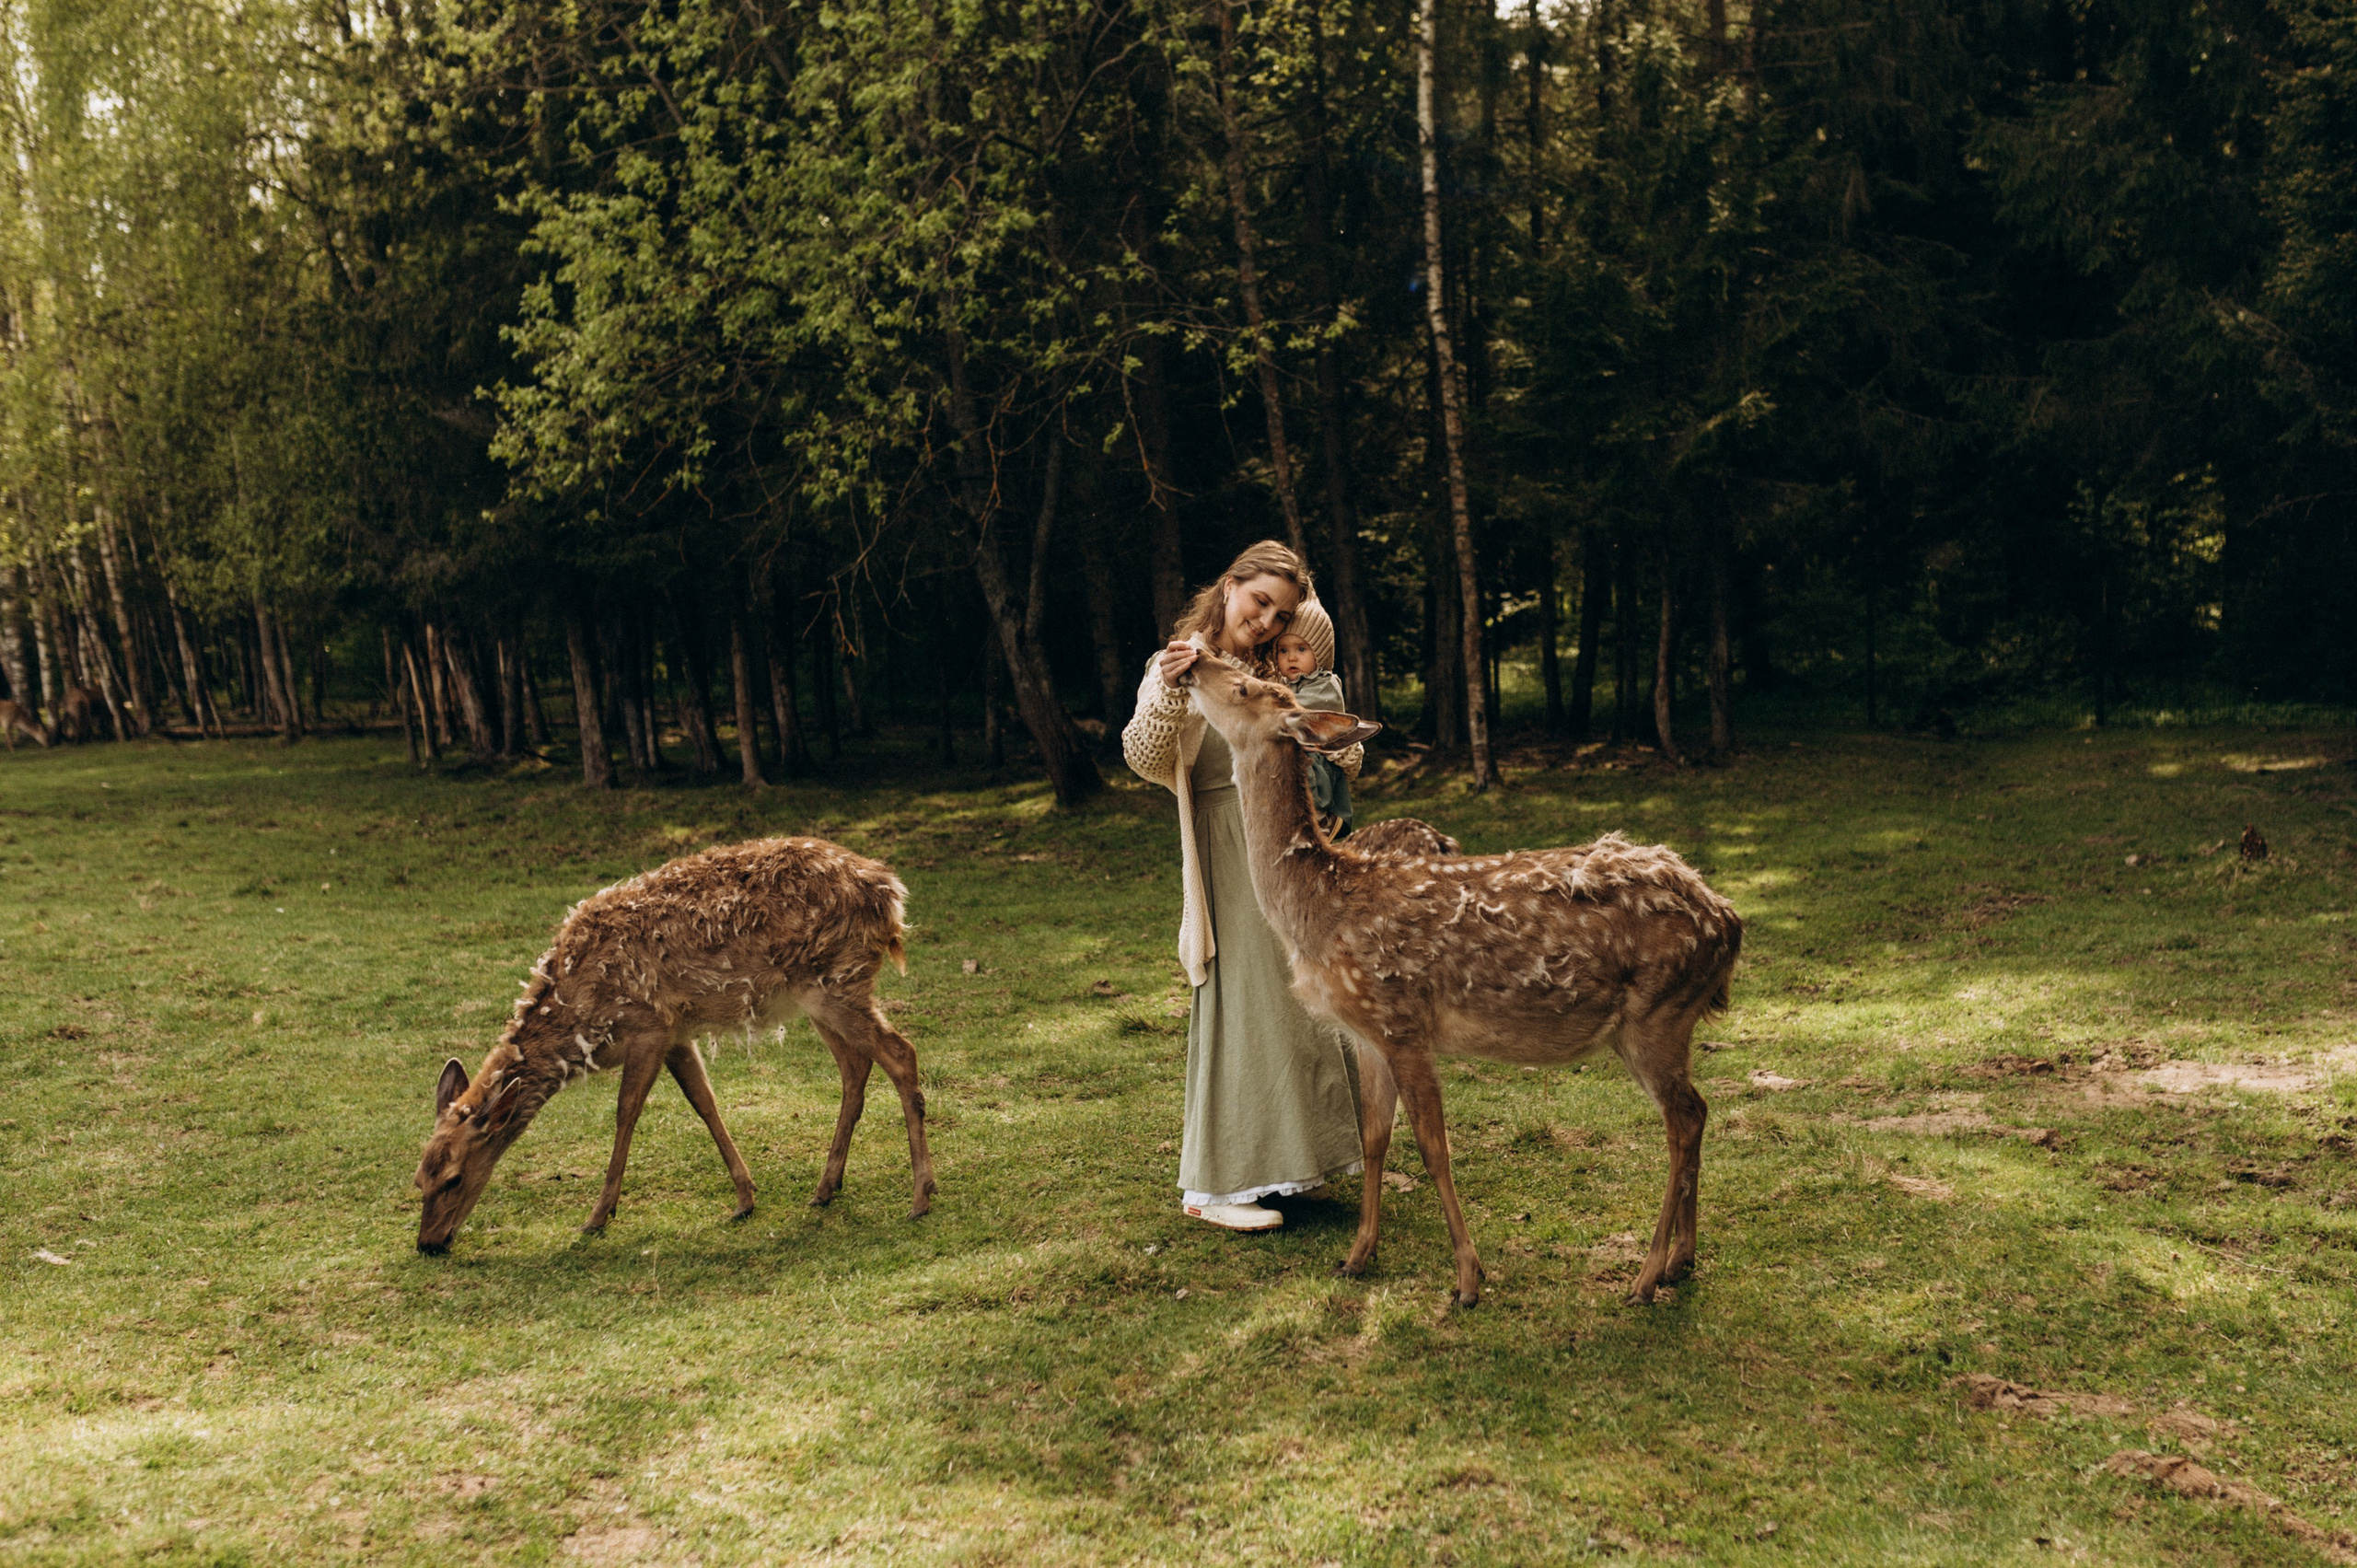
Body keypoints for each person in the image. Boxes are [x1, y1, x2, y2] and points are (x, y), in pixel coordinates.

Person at [1120, 541, 1368, 1232]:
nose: (1266, 620)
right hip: (1225, 844)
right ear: (1229, 586)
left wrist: (1337, 744)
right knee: (1245, 999)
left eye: (1279, 612)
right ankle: (1214, 1184)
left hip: (1282, 836)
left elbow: (1338, 743)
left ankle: (1300, 1161)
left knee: (1302, 997)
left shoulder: (1277, 666)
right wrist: (1171, 692)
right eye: (1259, 601)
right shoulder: (1179, 662)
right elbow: (1143, 756)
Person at [1268, 598, 1353, 841]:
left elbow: (1305, 712)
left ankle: (1320, 816)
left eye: (1301, 649)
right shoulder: (1286, 684)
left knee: (1303, 767)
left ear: (1321, 653)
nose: (1291, 658)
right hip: (1302, 750)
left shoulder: (1325, 683)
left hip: (1319, 758)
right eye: (1283, 650)